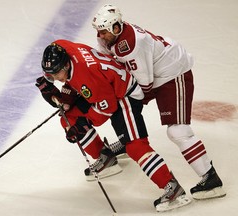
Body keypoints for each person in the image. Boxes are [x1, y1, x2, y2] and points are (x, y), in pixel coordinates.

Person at [35, 40, 191, 211]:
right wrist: (54, 96)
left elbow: (107, 107)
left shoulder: (86, 75)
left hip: (123, 95)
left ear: (65, 65)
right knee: (69, 117)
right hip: (104, 88)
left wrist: (83, 125)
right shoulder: (61, 47)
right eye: (49, 74)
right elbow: (71, 95)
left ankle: (172, 187)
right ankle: (106, 158)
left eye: (55, 74)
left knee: (135, 146)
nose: (54, 78)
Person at [91, 4, 226, 200]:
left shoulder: (132, 44)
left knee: (177, 131)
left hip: (173, 73)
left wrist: (121, 98)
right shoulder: (110, 37)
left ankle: (211, 178)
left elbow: (144, 85)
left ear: (116, 28)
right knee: (122, 104)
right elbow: (105, 63)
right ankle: (127, 140)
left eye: (104, 31)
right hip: (155, 73)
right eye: (99, 31)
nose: (100, 36)